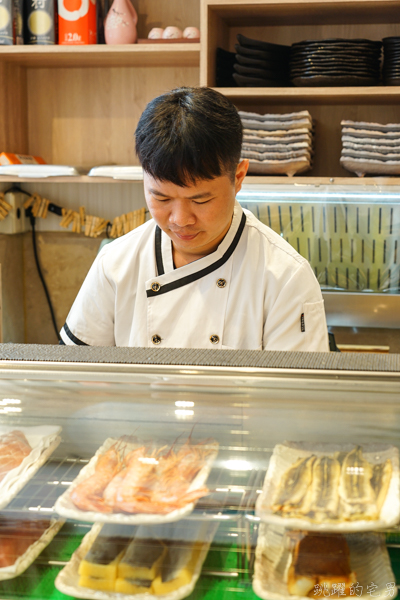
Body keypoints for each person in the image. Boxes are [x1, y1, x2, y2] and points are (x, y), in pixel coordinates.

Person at [60, 87, 329, 351]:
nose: (180, 219)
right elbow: (76, 378)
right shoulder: (116, 263)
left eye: (200, 200)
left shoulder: (286, 277)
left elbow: (296, 393)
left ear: (238, 177)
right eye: (161, 198)